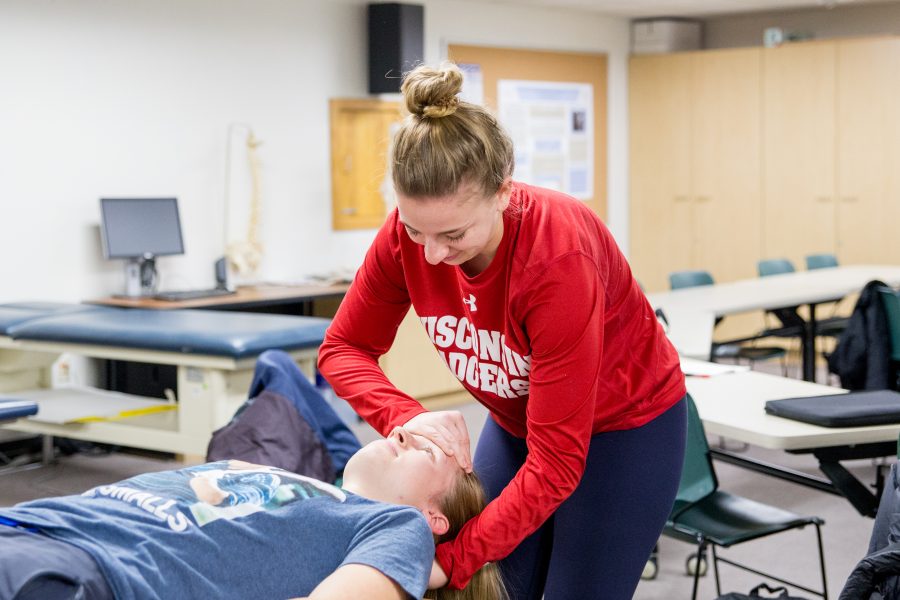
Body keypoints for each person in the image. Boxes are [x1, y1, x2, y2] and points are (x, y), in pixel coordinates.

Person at [317, 62, 688, 599]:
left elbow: (558, 462)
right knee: (492, 589)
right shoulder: (405, 238)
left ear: (503, 193)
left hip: (624, 430)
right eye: (416, 229)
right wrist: (411, 419)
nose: (434, 254)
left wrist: (454, 562)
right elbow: (343, 348)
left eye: (453, 233)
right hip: (519, 425)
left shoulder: (557, 255)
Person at [0, 427, 506, 600]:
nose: (402, 434)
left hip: (84, 568)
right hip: (32, 520)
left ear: (433, 517)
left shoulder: (398, 527)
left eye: (429, 452)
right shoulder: (313, 488)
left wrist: (429, 565)